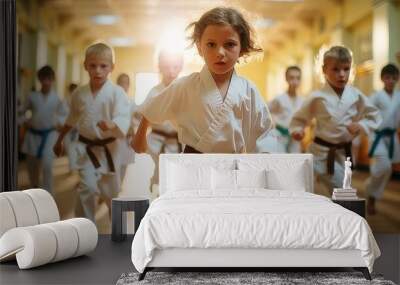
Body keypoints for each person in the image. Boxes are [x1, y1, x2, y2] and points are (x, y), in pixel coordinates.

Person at [132, 7, 272, 154]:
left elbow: (264, 134)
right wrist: (140, 136)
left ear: (241, 48)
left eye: (229, 44)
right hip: (193, 162)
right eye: (211, 44)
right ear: (199, 48)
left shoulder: (248, 90)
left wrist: (264, 162)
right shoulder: (185, 85)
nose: (219, 53)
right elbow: (151, 109)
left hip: (232, 164)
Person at [53, 43, 130, 223]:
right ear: (85, 65)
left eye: (103, 66)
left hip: (110, 149)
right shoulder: (79, 93)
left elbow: (123, 117)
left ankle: (116, 229)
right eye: (93, 65)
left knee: (111, 194)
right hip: (87, 148)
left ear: (112, 67)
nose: (98, 71)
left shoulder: (117, 93)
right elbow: (71, 119)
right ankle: (85, 229)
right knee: (86, 188)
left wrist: (112, 124)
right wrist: (60, 140)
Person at [289, 46, 381, 192]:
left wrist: (361, 125)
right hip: (321, 154)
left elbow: (374, 116)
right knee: (343, 191)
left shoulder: (355, 95)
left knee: (341, 190)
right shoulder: (317, 97)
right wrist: (298, 130)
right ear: (325, 70)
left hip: (345, 153)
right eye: (336, 69)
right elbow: (299, 119)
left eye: (346, 69)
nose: (342, 74)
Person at [21, 65, 67, 194]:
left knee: (47, 165)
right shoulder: (32, 96)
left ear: (53, 80)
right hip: (33, 135)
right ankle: (33, 188)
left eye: (49, 79)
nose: (46, 82)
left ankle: (48, 194)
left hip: (50, 135)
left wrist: (59, 122)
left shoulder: (57, 98)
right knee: (31, 166)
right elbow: (22, 112)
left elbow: (64, 114)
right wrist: (25, 120)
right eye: (43, 79)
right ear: (39, 80)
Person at [146, 50, 183, 192]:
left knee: (175, 178)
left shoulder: (185, 90)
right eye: (166, 67)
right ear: (159, 67)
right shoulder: (154, 92)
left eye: (175, 67)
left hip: (178, 141)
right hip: (156, 141)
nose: (171, 72)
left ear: (181, 67)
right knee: (162, 175)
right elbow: (146, 118)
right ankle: (157, 192)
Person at [366, 63, 400, 215]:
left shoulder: (399, 96)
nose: (391, 81)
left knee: (388, 171)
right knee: (384, 166)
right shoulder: (376, 96)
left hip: (392, 136)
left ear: (397, 79)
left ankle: (373, 197)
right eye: (388, 78)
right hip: (377, 136)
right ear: (382, 79)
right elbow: (365, 111)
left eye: (394, 78)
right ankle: (368, 186)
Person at [268, 66, 304, 153]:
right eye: (291, 78)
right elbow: (265, 110)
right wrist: (273, 121)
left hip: (295, 139)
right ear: (286, 78)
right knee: (281, 162)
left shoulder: (303, 101)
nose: (295, 81)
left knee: (295, 163)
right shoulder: (279, 99)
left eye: (298, 78)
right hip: (279, 137)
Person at [116, 73, 136, 183]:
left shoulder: (131, 102)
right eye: (121, 83)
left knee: (124, 165)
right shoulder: (113, 100)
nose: (124, 85)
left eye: (126, 83)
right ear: (117, 84)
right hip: (115, 139)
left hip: (127, 138)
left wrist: (132, 129)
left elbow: (135, 118)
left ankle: (118, 189)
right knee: (114, 165)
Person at [63, 83, 79, 172]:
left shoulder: (80, 101)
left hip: (77, 130)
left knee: (75, 149)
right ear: (70, 91)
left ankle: (73, 167)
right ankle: (72, 166)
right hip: (67, 130)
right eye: (73, 91)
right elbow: (63, 116)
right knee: (69, 148)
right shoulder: (65, 101)